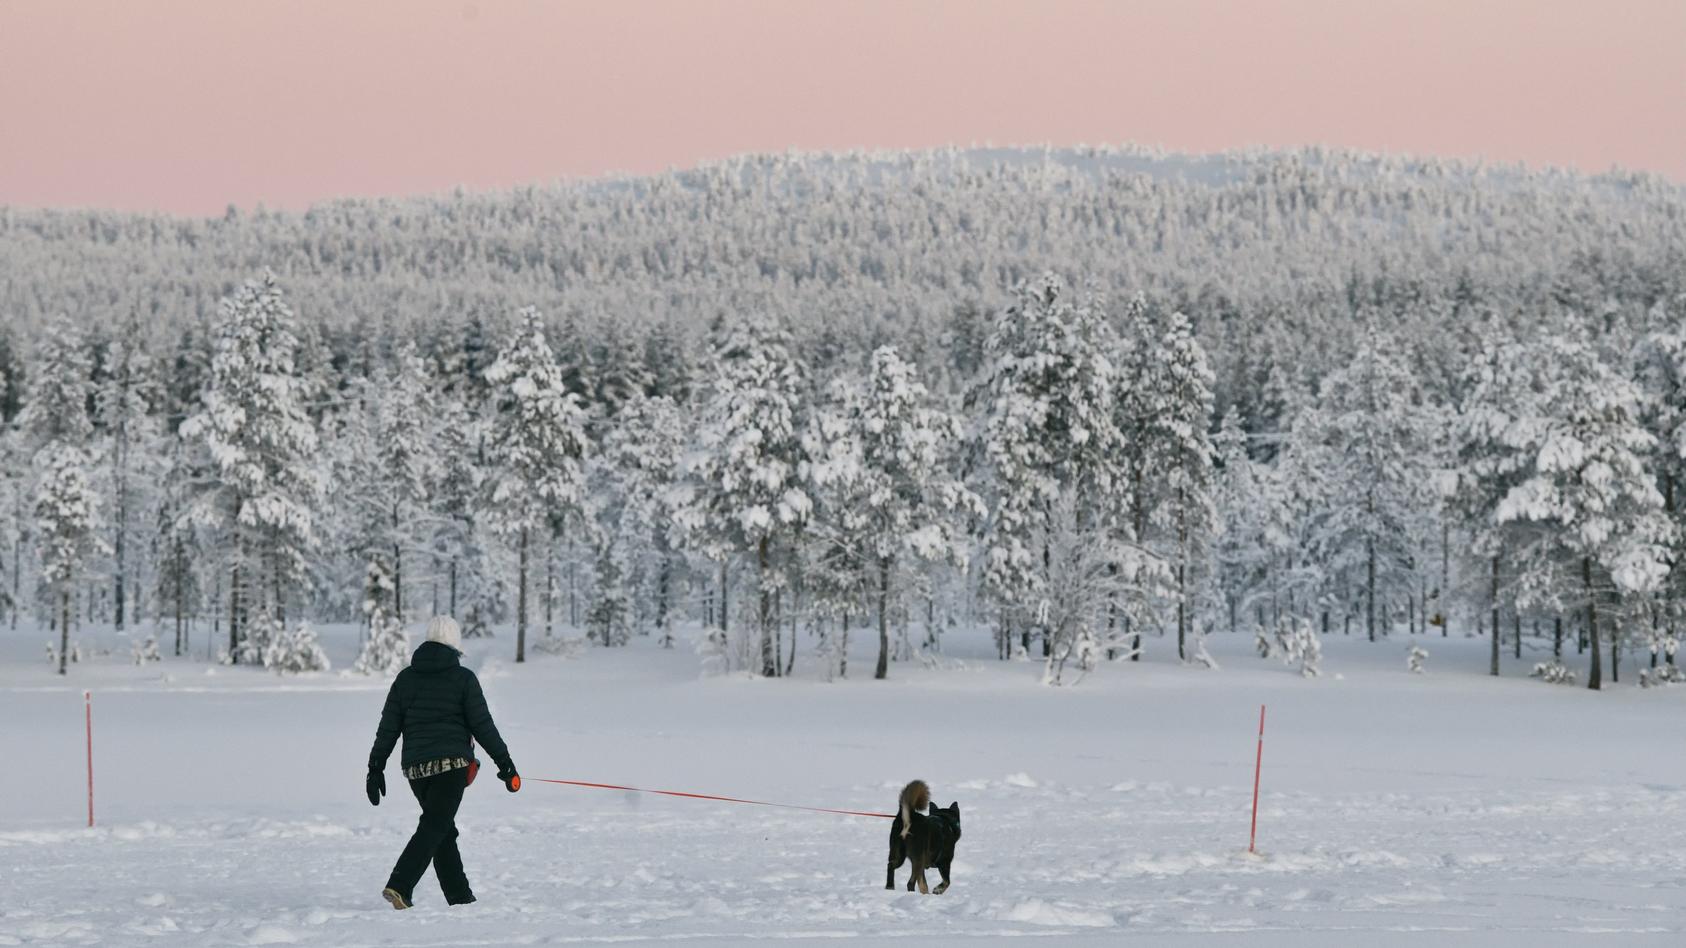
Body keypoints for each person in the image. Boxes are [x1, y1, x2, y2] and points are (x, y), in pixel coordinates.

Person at [367, 615, 519, 910]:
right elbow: (482, 725)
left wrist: (375, 767)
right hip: (452, 766)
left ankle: (460, 898)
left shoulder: (405, 679)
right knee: (435, 825)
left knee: (441, 828)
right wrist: (506, 763)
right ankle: (400, 884)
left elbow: (388, 728)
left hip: (416, 771)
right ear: (455, 645)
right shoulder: (463, 678)